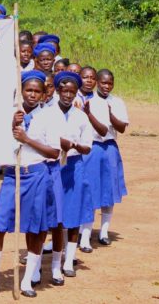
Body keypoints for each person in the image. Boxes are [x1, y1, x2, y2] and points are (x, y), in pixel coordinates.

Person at [0, 71, 60, 299]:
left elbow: (54, 152)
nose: (32, 95)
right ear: (21, 91)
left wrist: (27, 139)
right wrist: (11, 126)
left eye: (37, 91)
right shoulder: (11, 115)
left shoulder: (50, 116)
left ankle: (27, 281)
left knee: (35, 230)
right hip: (13, 176)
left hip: (37, 175)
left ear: (43, 95)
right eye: (28, 90)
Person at [53, 72, 94, 278]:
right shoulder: (48, 112)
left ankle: (69, 260)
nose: (68, 95)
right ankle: (55, 258)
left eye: (72, 91)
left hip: (75, 165)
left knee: (74, 213)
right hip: (52, 165)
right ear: (58, 90)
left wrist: (74, 145)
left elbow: (87, 147)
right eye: (64, 90)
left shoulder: (81, 116)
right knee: (56, 215)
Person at [88, 69, 128, 246]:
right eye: (103, 82)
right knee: (90, 187)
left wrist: (111, 113)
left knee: (109, 189)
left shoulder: (117, 102)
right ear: (97, 82)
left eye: (110, 83)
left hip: (110, 147)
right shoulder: (89, 101)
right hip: (93, 147)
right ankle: (85, 231)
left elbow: (121, 128)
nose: (106, 86)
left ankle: (104, 231)